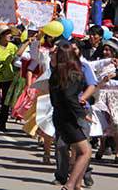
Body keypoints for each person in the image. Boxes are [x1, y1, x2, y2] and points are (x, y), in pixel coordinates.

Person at [49, 41, 95, 190]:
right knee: (85, 151)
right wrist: (82, 114)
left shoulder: (56, 73)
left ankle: (76, 186)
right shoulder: (73, 74)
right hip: (68, 118)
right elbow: (70, 97)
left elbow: (56, 98)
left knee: (80, 150)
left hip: (59, 116)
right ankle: (69, 185)